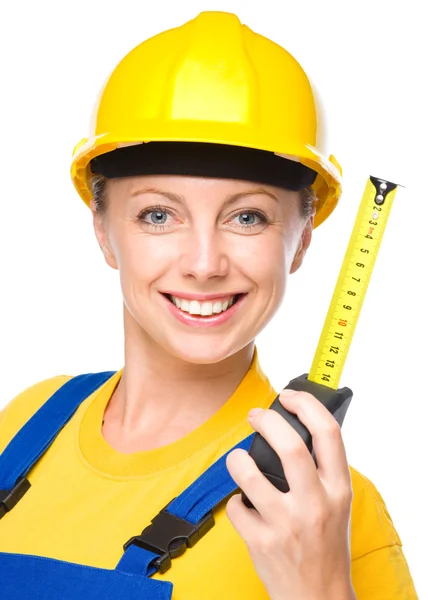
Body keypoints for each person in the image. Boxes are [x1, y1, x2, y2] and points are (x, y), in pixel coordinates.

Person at [0, 10, 418, 600]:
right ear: (102, 229)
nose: (204, 262)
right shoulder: (27, 424)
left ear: (300, 240)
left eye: (247, 217)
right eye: (158, 215)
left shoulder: (325, 510)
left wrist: (321, 587)